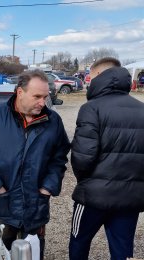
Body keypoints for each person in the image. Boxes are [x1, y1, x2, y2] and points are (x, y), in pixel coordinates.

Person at [0, 70, 70, 259]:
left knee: (31, 253)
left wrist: (48, 187)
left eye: (45, 97)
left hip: (35, 204)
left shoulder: (53, 121)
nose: (42, 102)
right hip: (0, 204)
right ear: (19, 92)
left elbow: (59, 157)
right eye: (37, 96)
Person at [69, 57, 144, 260]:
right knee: (122, 250)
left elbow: (82, 158)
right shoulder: (142, 109)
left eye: (90, 77)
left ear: (100, 77)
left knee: (79, 242)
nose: (87, 82)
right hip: (130, 197)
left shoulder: (91, 108)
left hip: (93, 196)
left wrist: (86, 181)